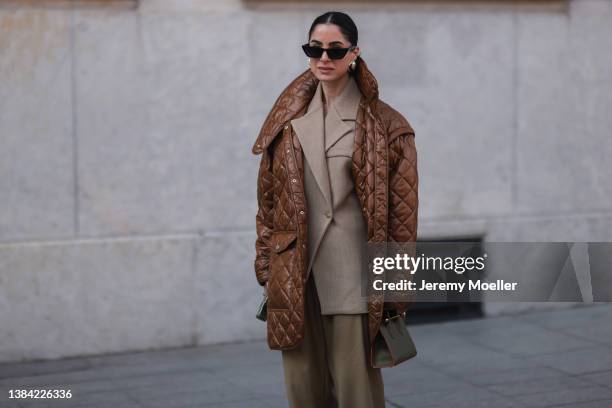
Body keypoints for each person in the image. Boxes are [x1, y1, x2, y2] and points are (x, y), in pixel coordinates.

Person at [251, 11, 418, 408]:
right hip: (295, 273)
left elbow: (402, 217)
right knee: (303, 388)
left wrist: (395, 284)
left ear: (354, 54)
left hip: (352, 273)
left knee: (355, 390)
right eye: (314, 49)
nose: (323, 57)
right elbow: (268, 203)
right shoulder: (286, 123)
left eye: (335, 49)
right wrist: (265, 265)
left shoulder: (386, 125)